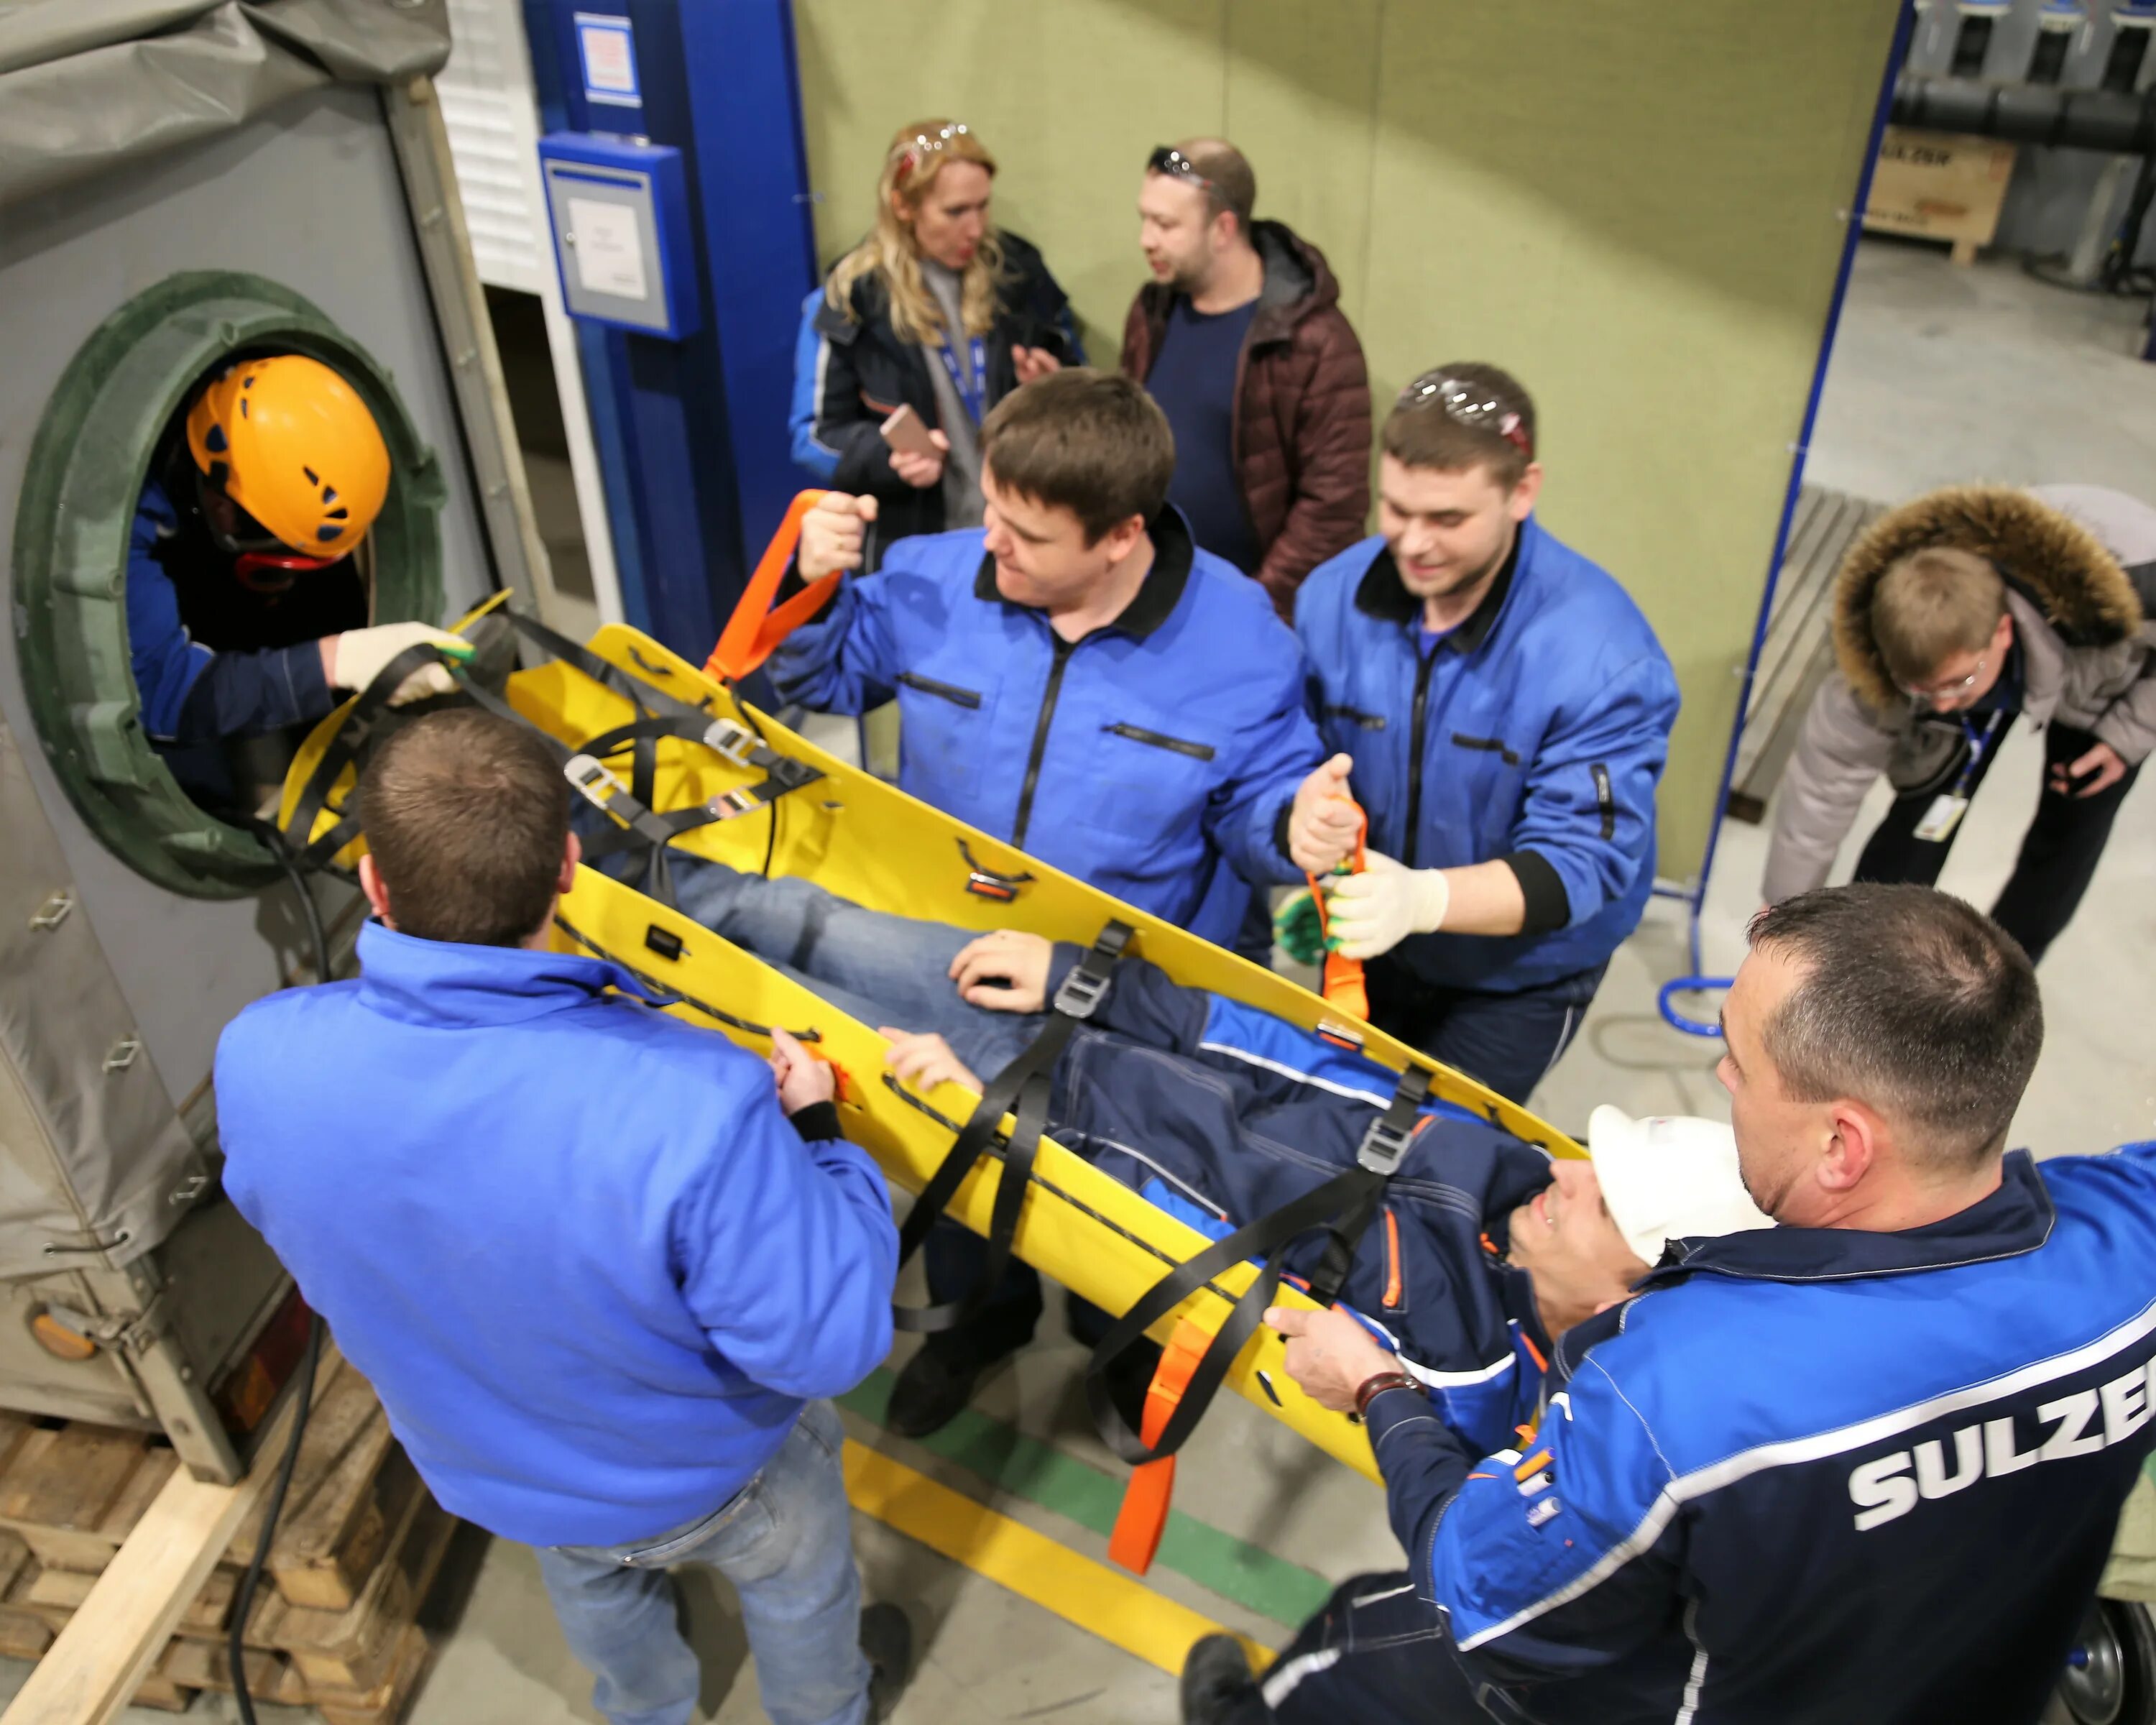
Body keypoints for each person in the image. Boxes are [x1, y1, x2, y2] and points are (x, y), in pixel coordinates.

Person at [1182, 883, 2156, 1725]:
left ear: (1842, 1148)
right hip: (1979, 1680)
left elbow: (1479, 1586)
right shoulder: (2133, 1244)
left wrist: (1377, 1387)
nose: (1722, 1080)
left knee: (1362, 1648)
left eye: (1738, 1062)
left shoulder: (1678, 1391)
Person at [213, 709, 911, 1725]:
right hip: (717, 1479)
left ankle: (647, 1710)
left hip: (502, 1467)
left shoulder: (260, 1059)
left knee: (597, 1591)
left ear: (373, 884)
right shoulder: (697, 1102)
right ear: (571, 868)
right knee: (800, 1590)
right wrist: (820, 1142)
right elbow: (829, 1344)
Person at [617, 847, 1767, 1458]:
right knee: (808, 920)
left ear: (1635, 1288)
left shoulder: (1450, 1357)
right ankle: (611, 858)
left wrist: (997, 1121)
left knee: (763, 999)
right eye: (1591, 1162)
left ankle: (595, 945)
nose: (1567, 1168)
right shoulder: (1492, 1164)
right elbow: (1283, 1060)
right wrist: (1090, 982)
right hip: (1078, 1041)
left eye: (1604, 1200)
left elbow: (1188, 1238)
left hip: (1030, 1118)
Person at [770, 367, 1328, 1437]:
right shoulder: (935, 577)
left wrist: (1295, 829)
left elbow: (1257, 807)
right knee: (960, 1171)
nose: (992, 543)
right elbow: (828, 676)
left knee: (1122, 1199)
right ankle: (984, 1323)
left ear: (1119, 536)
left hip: (1122, 1002)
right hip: (947, 963)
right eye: (991, 509)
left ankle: (1119, 1348)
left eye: (1027, 533)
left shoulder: (1241, 642)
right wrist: (811, 588)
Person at [1286, 364, 1680, 1104]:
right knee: (1338, 1122)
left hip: (1521, 976)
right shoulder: (1332, 598)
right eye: (1396, 509)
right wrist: (1302, 811)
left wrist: (1423, 900)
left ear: (1522, 492)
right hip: (1381, 940)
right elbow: (1295, 746)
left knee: (1434, 1155)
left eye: (1448, 519)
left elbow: (1582, 861)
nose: (1412, 543)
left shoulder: (1602, 658)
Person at [1761, 482, 2156, 963]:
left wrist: (2128, 735)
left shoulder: (2139, 583)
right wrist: (1784, 911)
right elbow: (1822, 793)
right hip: (2000, 654)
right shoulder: (1875, 663)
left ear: (2002, 632)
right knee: (1925, 809)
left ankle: (2011, 974)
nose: (1944, 704)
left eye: (1957, 683)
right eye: (1924, 690)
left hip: (2103, 670)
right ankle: (1876, 965)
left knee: (2073, 823)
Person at [129, 353, 465, 803]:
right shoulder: (126, 521)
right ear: (226, 507)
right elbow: (166, 697)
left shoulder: (262, 411)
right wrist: (335, 662)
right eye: (275, 544)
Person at [794, 118, 1082, 566]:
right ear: (903, 207)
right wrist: (887, 459)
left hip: (1016, 535)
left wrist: (1056, 387)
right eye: (955, 212)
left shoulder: (1019, 272)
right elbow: (813, 435)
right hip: (913, 548)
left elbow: (1082, 388)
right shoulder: (851, 297)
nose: (976, 229)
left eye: (983, 207)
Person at [1122, 139, 1370, 617]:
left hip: (1255, 614)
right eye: (1145, 219)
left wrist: (1252, 608)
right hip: (1150, 598)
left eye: (1166, 224)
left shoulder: (1317, 341)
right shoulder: (1151, 312)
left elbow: (1332, 509)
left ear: (1224, 228)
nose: (1146, 240)